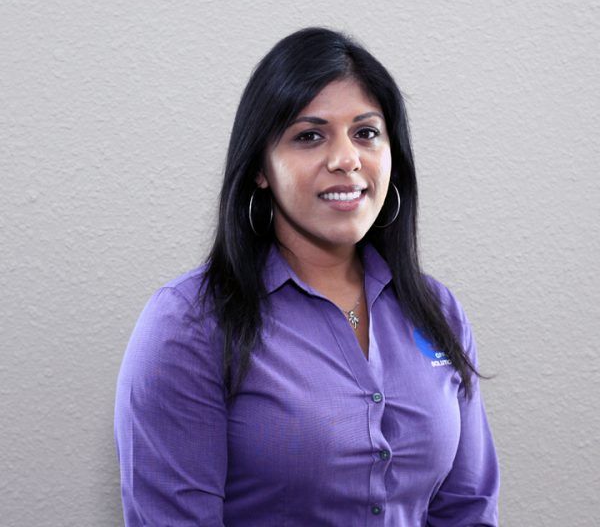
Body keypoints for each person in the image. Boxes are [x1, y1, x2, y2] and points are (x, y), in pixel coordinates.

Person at [113, 26, 500, 526]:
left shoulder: (436, 309)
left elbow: (467, 509)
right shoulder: (189, 323)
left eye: (366, 133)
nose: (345, 160)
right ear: (260, 167)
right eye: (309, 136)